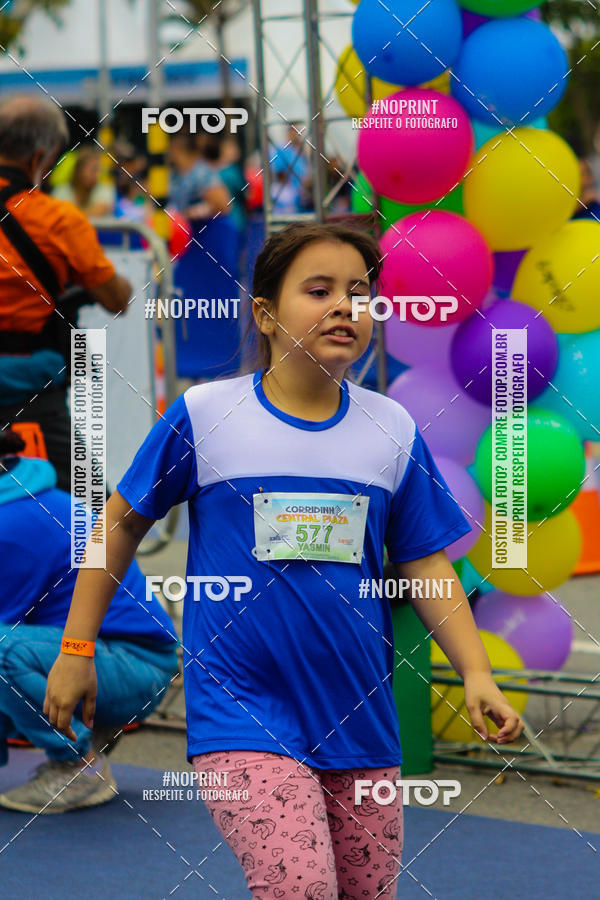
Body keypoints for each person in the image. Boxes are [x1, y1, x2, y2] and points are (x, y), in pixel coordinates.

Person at [45, 221, 524, 895]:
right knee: (300, 889)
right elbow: (120, 525)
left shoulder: (392, 428)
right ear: (266, 315)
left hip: (361, 718)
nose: (344, 307)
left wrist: (475, 671)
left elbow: (423, 562)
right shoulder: (206, 414)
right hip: (241, 709)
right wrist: (76, 645)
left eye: (359, 293)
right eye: (319, 289)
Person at [0, 428, 179, 814]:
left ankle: (78, 768)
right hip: (106, 656)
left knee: (2, 653)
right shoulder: (22, 496)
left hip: (134, 664)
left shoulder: (12, 523)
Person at [0, 95, 132, 492]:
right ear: (44, 156)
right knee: (97, 527)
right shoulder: (59, 220)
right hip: (30, 393)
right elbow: (116, 298)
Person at [168, 131, 231, 221]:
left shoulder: (202, 173)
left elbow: (223, 205)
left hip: (200, 229)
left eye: (172, 149)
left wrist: (195, 211)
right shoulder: (173, 173)